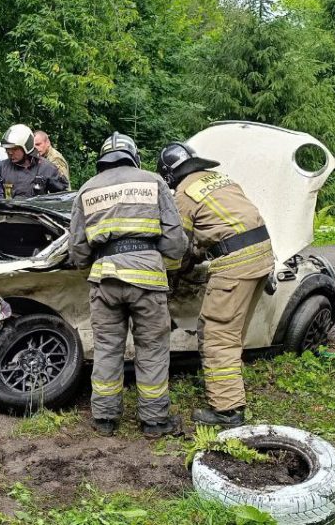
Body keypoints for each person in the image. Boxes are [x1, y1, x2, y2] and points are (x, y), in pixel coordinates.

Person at [69, 132, 187, 439]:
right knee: (152, 349)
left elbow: (78, 250)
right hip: (147, 280)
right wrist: (155, 256)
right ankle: (154, 422)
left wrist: (94, 264)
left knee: (107, 348)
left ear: (103, 160)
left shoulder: (86, 189)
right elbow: (176, 242)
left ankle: (105, 419)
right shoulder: (154, 182)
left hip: (104, 280)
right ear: (133, 156)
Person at [156, 142, 275, 428]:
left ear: (169, 175)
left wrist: (172, 276)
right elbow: (219, 227)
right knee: (229, 333)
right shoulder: (221, 180)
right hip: (262, 255)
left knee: (216, 335)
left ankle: (228, 409)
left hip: (235, 263)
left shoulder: (183, 194)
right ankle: (224, 384)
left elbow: (179, 245)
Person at [0, 124, 67, 199]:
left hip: (36, 210)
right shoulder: (1, 168)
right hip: (7, 210)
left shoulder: (47, 168)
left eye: (14, 149)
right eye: (7, 149)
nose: (10, 152)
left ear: (26, 147)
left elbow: (61, 197)